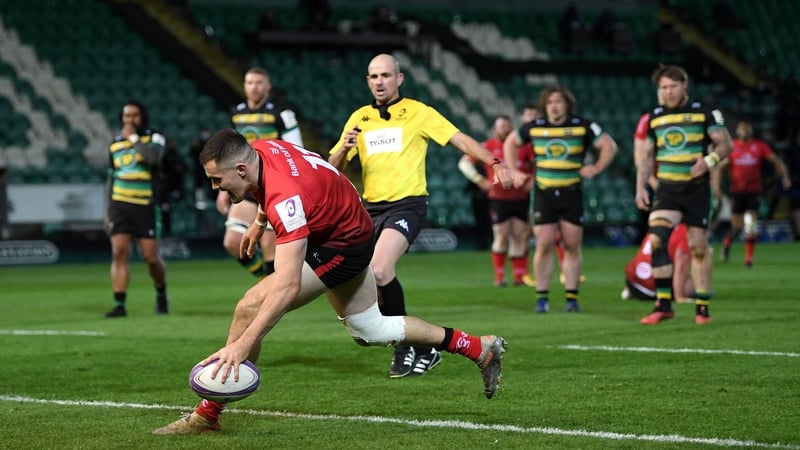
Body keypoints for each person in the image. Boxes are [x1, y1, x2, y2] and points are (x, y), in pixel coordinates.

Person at [153, 131, 507, 435]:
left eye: (218, 180)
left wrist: (243, 345)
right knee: (372, 329)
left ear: (241, 169)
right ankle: (477, 346)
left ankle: (208, 414)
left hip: (342, 243)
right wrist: (260, 222)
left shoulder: (285, 197)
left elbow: (288, 285)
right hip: (347, 226)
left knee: (249, 306)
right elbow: (273, 185)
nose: (216, 186)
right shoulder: (260, 148)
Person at [327, 54, 514, 378]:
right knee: (366, 280)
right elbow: (331, 171)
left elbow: (461, 140)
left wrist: (494, 162)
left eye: (386, 75)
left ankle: (405, 348)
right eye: (373, 76)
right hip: (370, 209)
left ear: (399, 79)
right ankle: (423, 346)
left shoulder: (418, 112)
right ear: (368, 81)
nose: (379, 81)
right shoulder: (359, 118)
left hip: (408, 205)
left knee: (381, 270)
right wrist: (344, 148)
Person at [504, 85, 617, 314]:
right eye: (550, 103)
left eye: (558, 102)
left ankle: (572, 297)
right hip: (544, 192)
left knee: (572, 245)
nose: (554, 106)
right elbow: (510, 143)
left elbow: (609, 146)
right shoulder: (535, 127)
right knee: (544, 243)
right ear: (545, 107)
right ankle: (542, 297)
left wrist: (596, 166)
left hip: (571, 193)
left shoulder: (582, 125)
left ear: (567, 104)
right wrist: (513, 170)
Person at [635, 65, 733, 325]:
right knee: (656, 240)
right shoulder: (654, 117)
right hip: (667, 190)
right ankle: (663, 304)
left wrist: (708, 161)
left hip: (696, 190)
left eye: (673, 86)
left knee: (698, 248)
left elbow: (726, 144)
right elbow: (646, 157)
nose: (668, 92)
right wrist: (640, 188)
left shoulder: (705, 112)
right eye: (664, 87)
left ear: (684, 86)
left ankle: (702, 308)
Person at [222, 66, 303, 279]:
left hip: (272, 185)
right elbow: (231, 154)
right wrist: (223, 189)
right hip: (247, 185)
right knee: (232, 241)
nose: (254, 87)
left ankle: (273, 293)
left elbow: (296, 150)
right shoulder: (237, 113)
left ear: (268, 86)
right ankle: (264, 280)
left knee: (269, 244)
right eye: (249, 83)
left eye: (258, 83)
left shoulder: (281, 113)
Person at [104, 100, 169, 318]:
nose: (130, 120)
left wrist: (133, 139)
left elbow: (152, 159)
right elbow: (111, 178)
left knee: (150, 257)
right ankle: (119, 304)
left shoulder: (154, 138)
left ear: (142, 117)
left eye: (134, 115)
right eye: (126, 116)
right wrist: (107, 210)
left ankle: (161, 292)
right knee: (119, 252)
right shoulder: (114, 144)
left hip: (145, 205)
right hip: (119, 205)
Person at [459, 115, 533, 286]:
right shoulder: (488, 146)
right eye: (501, 126)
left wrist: (530, 180)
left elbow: (534, 166)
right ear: (495, 129)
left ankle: (518, 277)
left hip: (519, 197)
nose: (505, 129)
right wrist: (479, 180)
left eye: (507, 126)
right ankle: (499, 277)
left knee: (519, 236)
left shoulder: (522, 146)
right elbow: (464, 163)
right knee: (501, 234)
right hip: (498, 198)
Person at [720, 120, 791, 266]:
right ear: (737, 131)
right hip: (737, 192)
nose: (744, 130)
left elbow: (775, 160)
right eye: (741, 128)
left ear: (751, 130)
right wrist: (719, 186)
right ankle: (727, 243)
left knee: (751, 225)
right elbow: (721, 167)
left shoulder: (759, 146)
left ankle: (748, 258)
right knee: (737, 227)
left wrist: (785, 177)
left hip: (753, 191)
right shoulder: (732, 147)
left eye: (747, 128)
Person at [621, 223, 696, 303]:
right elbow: (681, 267)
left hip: (632, 283)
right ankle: (678, 295)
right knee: (697, 283)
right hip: (656, 289)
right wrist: (680, 296)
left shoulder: (659, 222)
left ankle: (629, 290)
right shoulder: (685, 231)